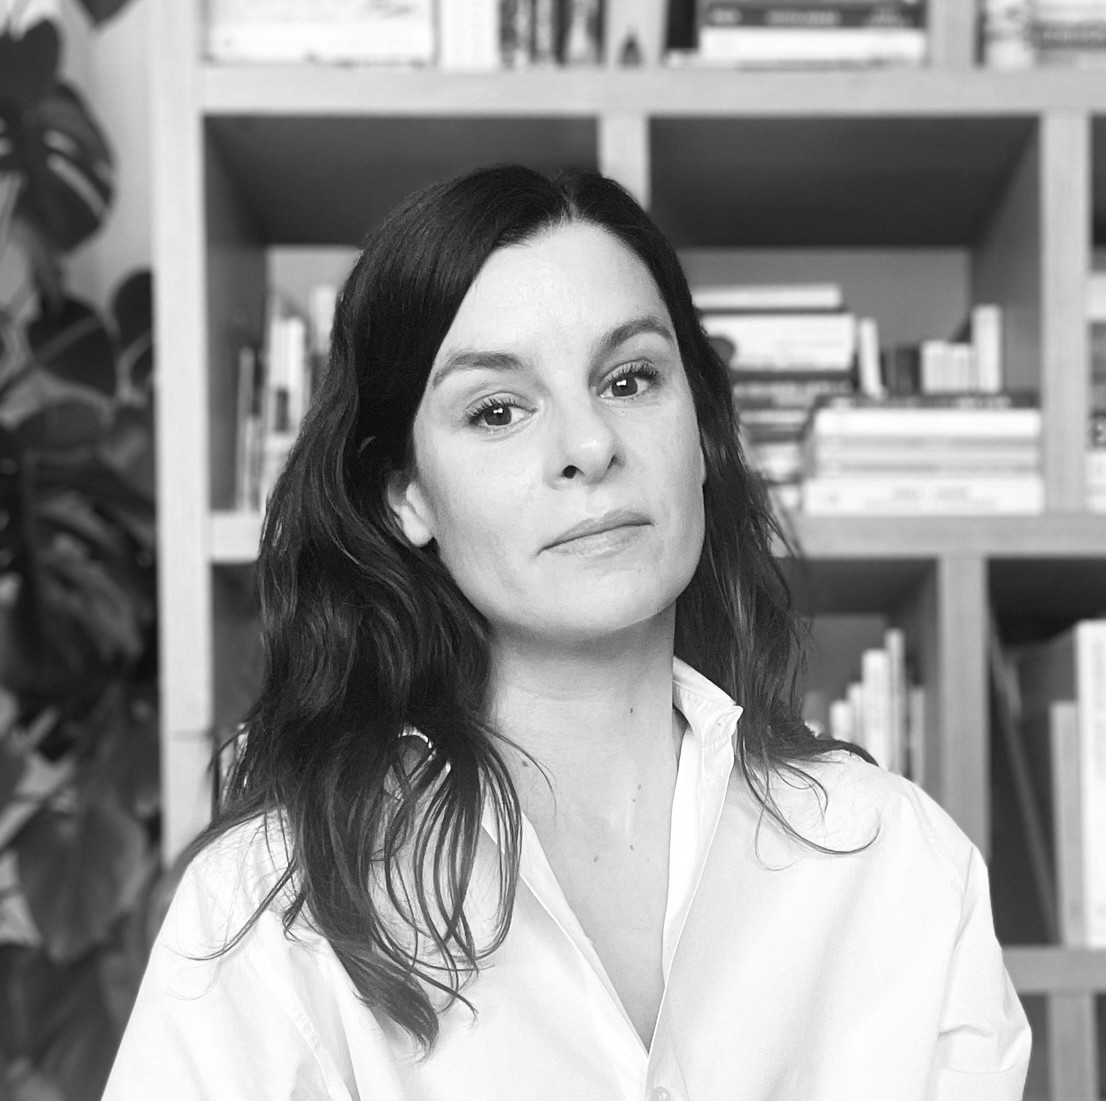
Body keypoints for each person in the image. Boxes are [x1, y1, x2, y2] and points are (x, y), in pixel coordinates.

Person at [102, 164, 1031, 1100]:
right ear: (406, 494)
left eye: (631, 379)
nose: (590, 445)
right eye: (497, 410)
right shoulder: (270, 905)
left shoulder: (897, 860)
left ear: (702, 434)